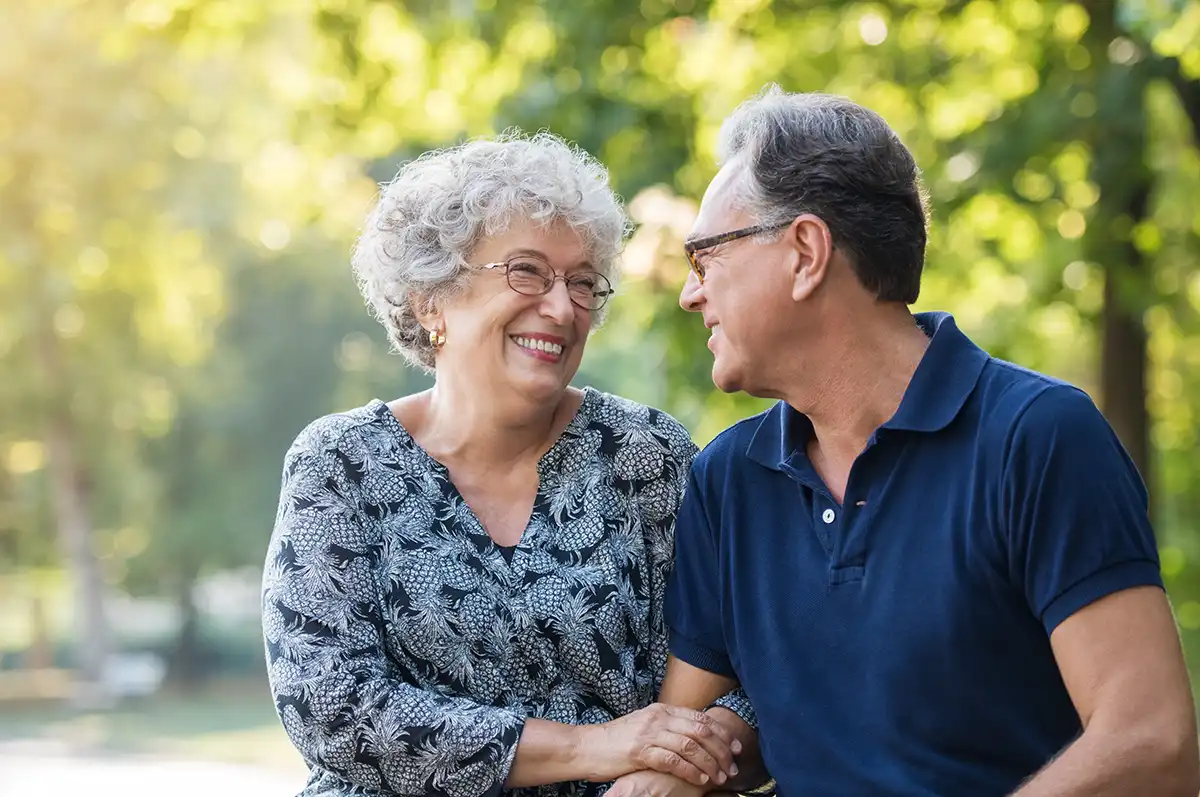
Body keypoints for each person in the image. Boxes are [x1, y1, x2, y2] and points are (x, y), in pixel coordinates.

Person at [657, 85, 1200, 796]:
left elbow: (1153, 739)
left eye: (705, 257)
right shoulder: (729, 481)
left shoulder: (1037, 437)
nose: (689, 294)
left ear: (805, 253)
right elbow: (686, 732)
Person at [261, 131, 763, 797]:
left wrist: (673, 771)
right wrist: (595, 745)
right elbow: (331, 708)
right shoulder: (339, 464)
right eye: (526, 271)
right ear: (430, 298)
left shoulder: (650, 455)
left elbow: (760, 665)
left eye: (582, 281)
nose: (562, 307)